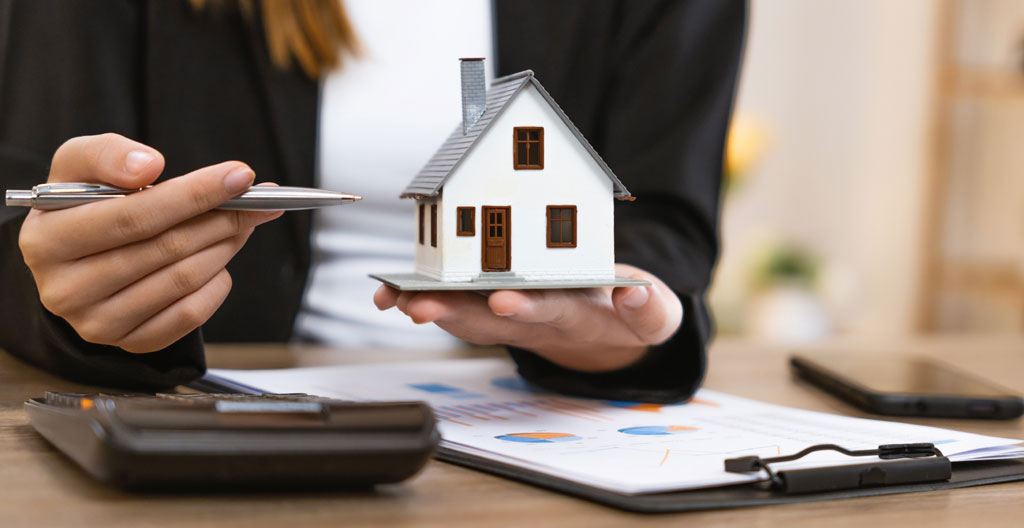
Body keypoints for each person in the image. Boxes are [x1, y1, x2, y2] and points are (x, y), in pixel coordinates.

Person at [0, 0, 745, 402]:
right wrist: (70, 298)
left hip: (523, 423)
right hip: (210, 416)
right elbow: (29, 218)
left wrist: (615, 327)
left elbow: (661, 228)